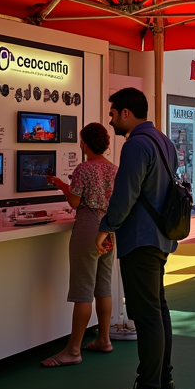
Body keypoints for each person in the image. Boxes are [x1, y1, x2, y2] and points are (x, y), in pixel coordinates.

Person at [95, 87, 179, 389]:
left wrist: (106, 226)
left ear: (127, 113)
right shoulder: (164, 141)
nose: (111, 118)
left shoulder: (135, 145)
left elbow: (125, 193)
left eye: (113, 113)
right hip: (160, 237)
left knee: (145, 315)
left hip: (140, 239)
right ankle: (164, 380)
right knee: (157, 309)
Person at [43, 123, 118, 366]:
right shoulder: (114, 169)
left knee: (83, 290)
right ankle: (104, 339)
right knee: (103, 286)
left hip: (87, 227)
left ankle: (73, 350)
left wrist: (62, 186)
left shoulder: (84, 169)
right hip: (109, 229)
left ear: (85, 143)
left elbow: (75, 202)